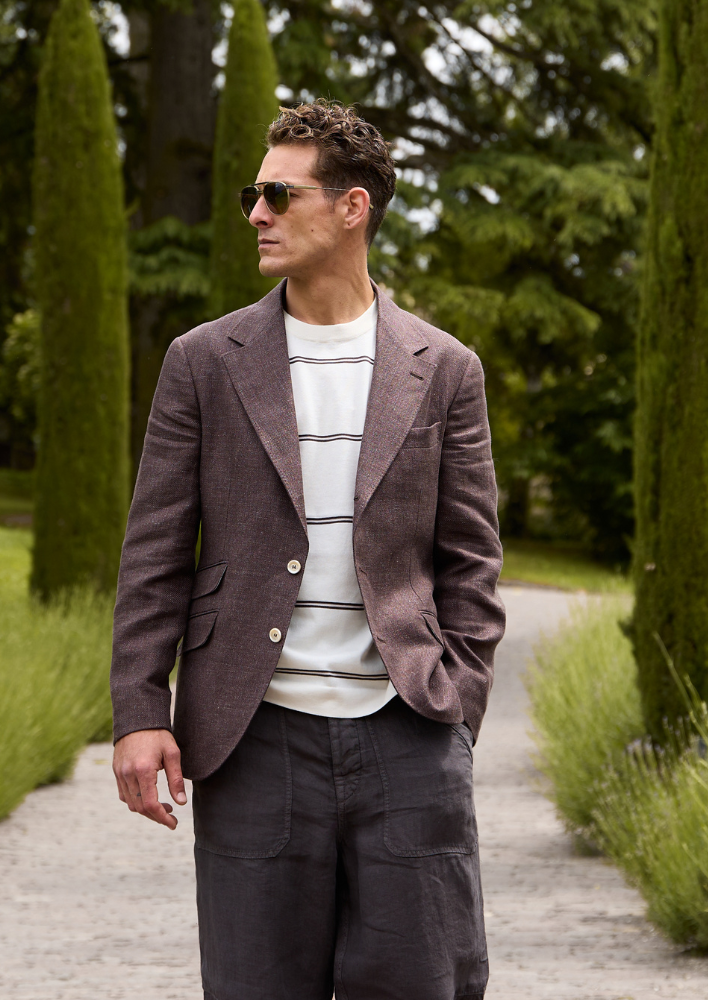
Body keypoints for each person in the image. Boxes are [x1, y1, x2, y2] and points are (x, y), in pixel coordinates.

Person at [107, 100, 505, 1000]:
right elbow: (154, 553)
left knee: (423, 985)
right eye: (254, 195)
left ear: (353, 207)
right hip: (254, 740)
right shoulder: (204, 361)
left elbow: (471, 562)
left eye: (279, 195)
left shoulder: (445, 369)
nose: (257, 213)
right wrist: (140, 711)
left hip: (408, 735)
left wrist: (457, 713)